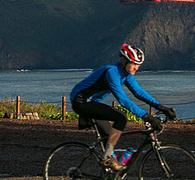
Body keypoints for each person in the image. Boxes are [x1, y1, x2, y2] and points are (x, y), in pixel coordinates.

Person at [70, 43, 176, 171]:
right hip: (81, 102)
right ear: (125, 61)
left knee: (108, 135)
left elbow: (139, 93)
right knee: (121, 118)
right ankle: (107, 158)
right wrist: (146, 116)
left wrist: (162, 108)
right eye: (134, 64)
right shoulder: (112, 73)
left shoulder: (125, 73)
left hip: (92, 102)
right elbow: (123, 100)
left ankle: (107, 177)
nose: (136, 68)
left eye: (138, 65)